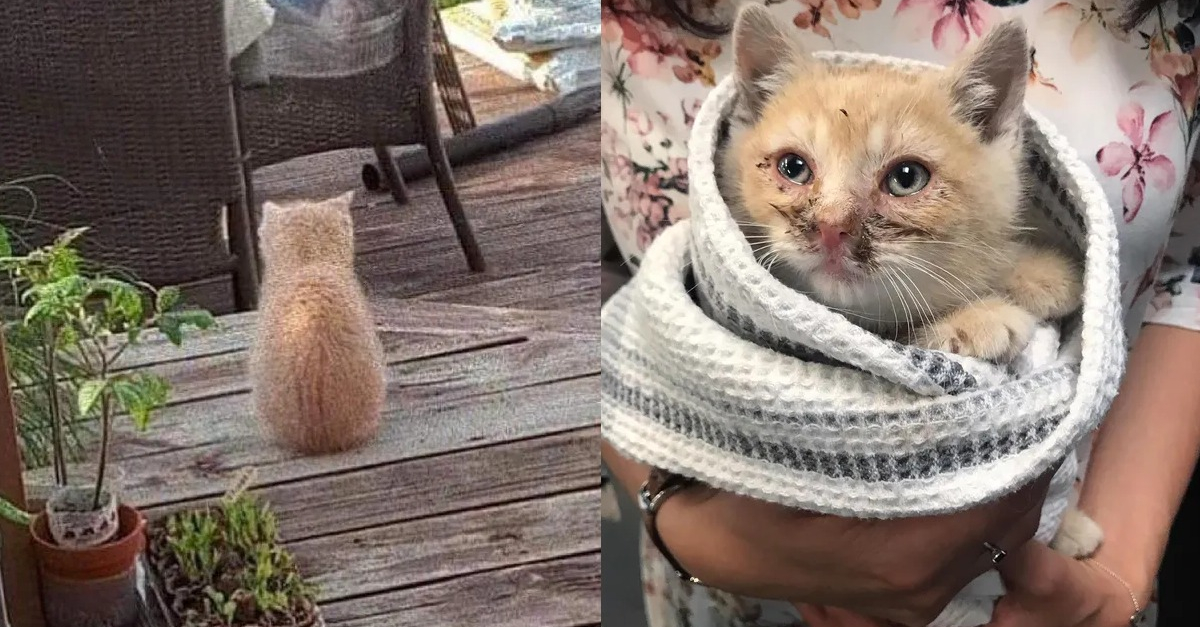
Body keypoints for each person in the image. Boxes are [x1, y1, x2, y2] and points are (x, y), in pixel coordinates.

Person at [599, 0, 1200, 625]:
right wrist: (693, 527)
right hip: (728, 586)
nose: (831, 223)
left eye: (905, 175)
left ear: (993, 120)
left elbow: (1187, 263)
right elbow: (635, 324)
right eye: (794, 168)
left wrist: (1118, 566)